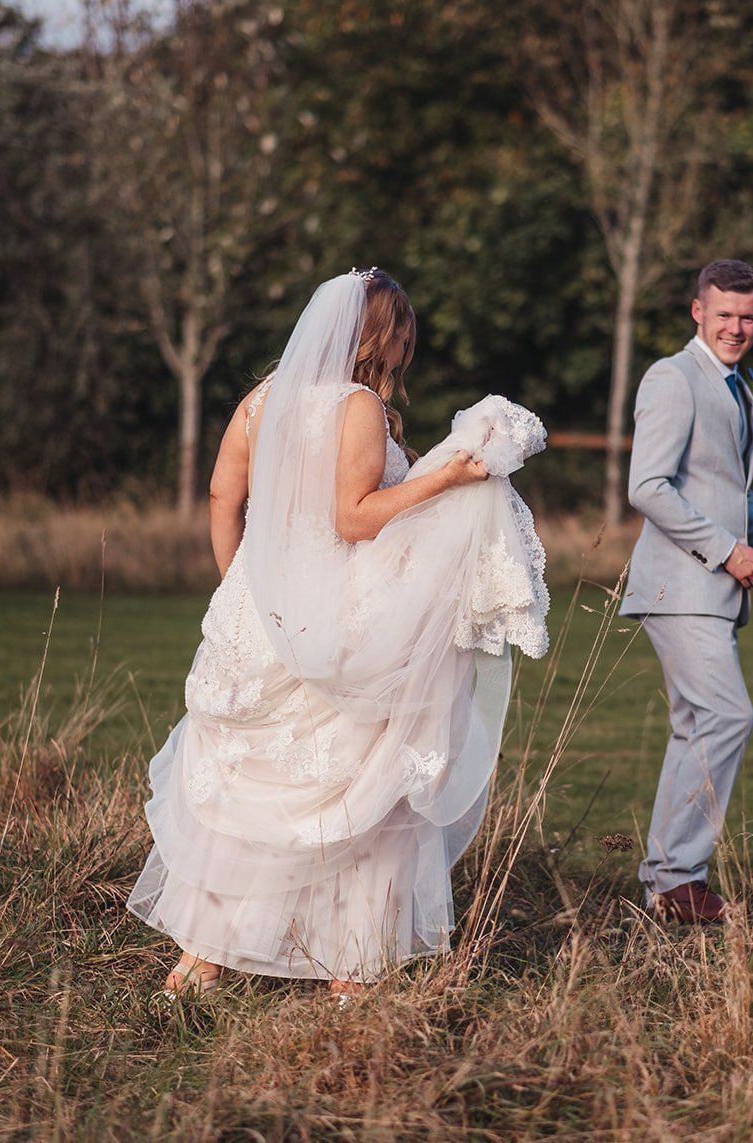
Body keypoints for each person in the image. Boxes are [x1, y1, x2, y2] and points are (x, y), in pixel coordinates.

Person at [129, 268, 549, 999]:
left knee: (247, 784)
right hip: (342, 616)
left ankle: (201, 959)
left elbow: (225, 494)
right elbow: (355, 517)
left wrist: (247, 585)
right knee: (362, 784)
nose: (405, 353)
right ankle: (350, 965)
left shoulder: (261, 403)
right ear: (377, 337)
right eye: (401, 337)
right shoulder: (356, 407)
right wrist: (446, 477)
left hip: (261, 611)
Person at [620, 259, 753, 925]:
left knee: (697, 725)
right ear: (697, 311)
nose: (736, 327)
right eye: (723, 314)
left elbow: (725, 484)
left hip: (707, 591)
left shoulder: (738, 387)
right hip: (681, 584)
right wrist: (728, 550)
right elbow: (648, 486)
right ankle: (676, 879)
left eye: (748, 316)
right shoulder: (672, 377)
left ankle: (668, 885)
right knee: (728, 716)